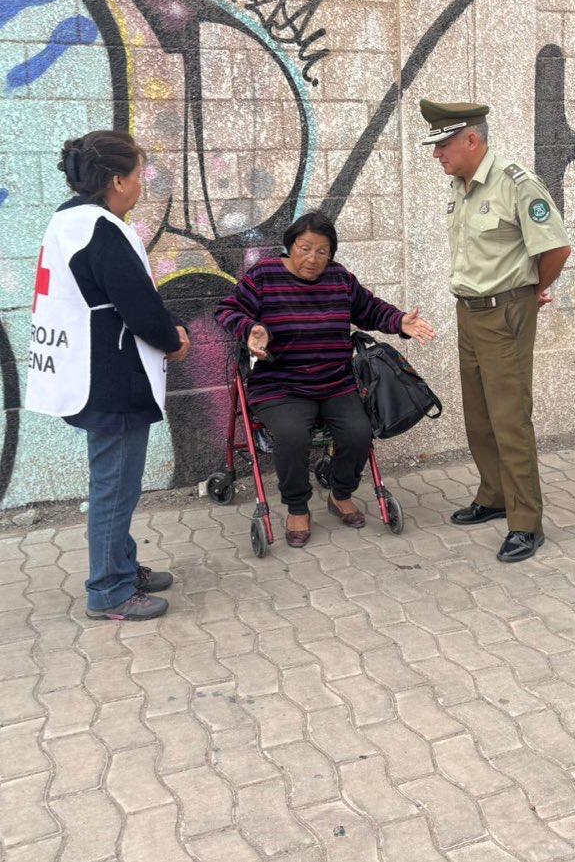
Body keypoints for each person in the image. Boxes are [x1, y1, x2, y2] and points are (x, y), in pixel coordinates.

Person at [25, 131, 190, 621]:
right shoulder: (101, 230)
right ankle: (109, 591)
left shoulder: (69, 220)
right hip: (111, 378)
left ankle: (122, 565)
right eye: (138, 176)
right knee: (115, 487)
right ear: (117, 181)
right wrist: (174, 339)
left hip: (92, 373)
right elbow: (139, 305)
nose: (141, 185)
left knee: (116, 484)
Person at [214, 212, 436, 546]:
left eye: (322, 251)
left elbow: (371, 309)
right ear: (291, 245)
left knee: (359, 433)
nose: (312, 258)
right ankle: (297, 507)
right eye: (305, 248)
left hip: (335, 382)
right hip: (280, 385)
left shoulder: (339, 278)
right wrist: (251, 329)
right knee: (292, 437)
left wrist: (400, 322)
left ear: (331, 254)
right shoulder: (264, 275)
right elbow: (227, 310)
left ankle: (340, 493)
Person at [420, 100, 572, 562]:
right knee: (479, 415)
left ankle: (526, 523)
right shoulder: (460, 186)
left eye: (443, 145)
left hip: (505, 314)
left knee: (509, 419)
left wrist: (531, 291)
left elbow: (556, 248)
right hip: (469, 312)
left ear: (472, 140)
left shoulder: (515, 183)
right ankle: (494, 496)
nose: (437, 154)